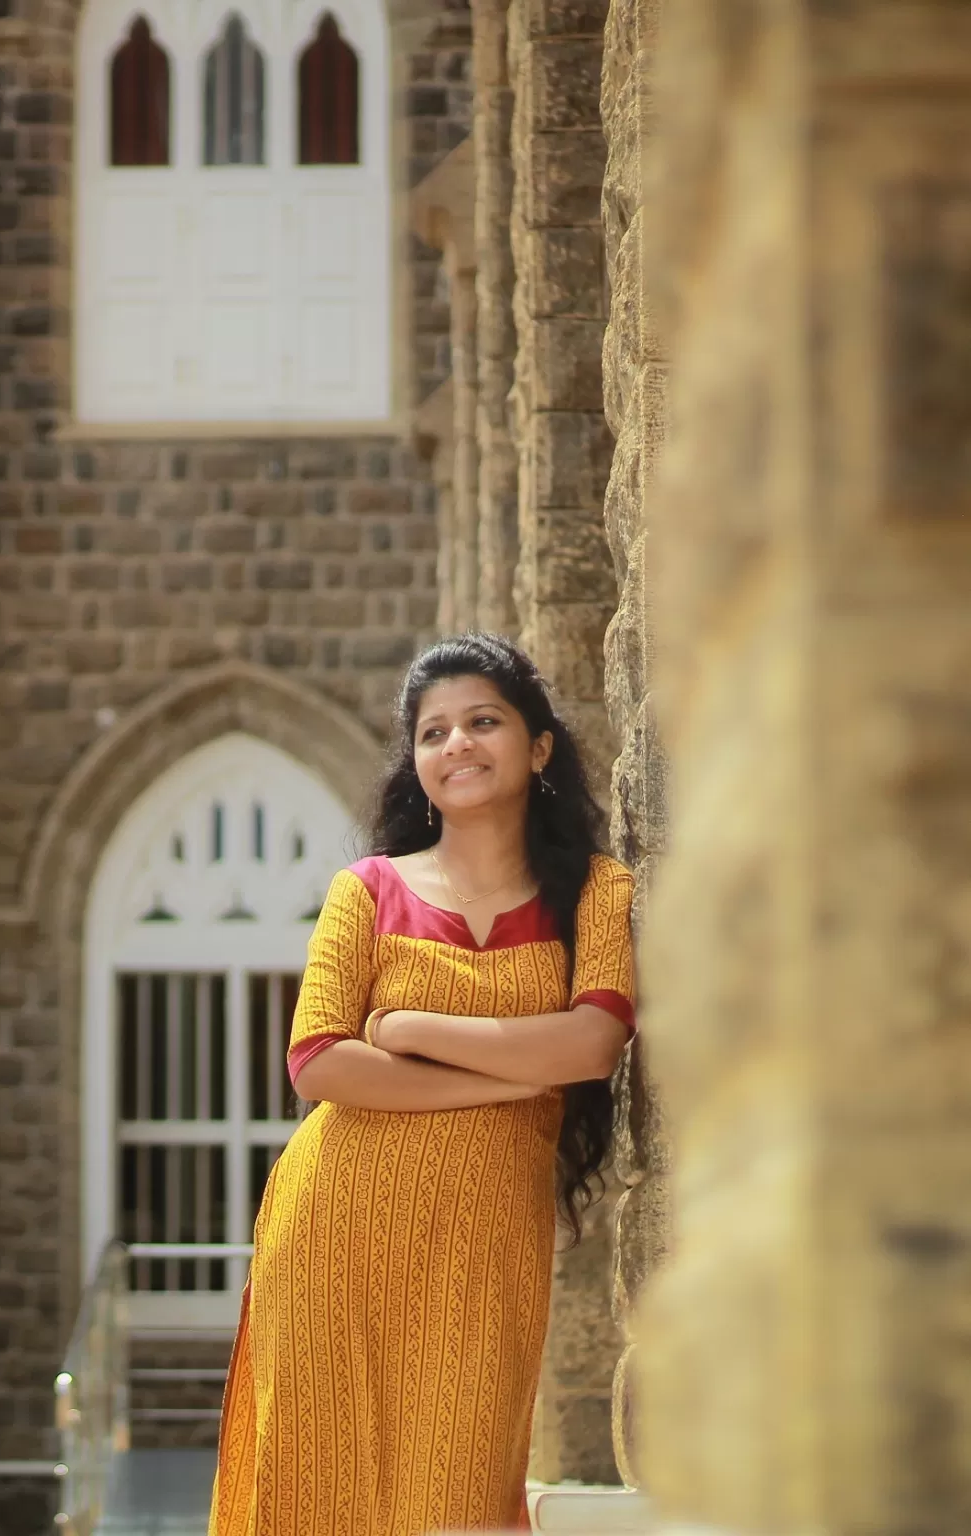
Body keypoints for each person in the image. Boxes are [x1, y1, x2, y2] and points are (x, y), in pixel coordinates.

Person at [208, 634, 636, 1536]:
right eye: (433, 733)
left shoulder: (595, 893)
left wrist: (411, 1033)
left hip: (486, 1245)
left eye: (483, 722)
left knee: (460, 1496)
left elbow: (593, 1045)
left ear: (540, 745)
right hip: (336, 1229)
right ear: (415, 761)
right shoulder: (364, 891)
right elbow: (318, 1062)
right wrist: (508, 1080)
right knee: (317, 1491)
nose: (458, 746)